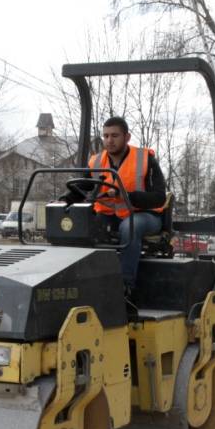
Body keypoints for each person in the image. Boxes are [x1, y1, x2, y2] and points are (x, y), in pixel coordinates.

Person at [64, 116, 167, 296]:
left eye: (114, 136)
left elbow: (159, 197)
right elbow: (82, 187)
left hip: (145, 215)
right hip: (109, 214)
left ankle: (124, 287)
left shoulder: (145, 159)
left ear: (127, 137)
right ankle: (80, 283)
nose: (109, 141)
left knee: (129, 227)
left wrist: (126, 196)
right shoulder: (96, 162)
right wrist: (65, 200)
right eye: (106, 136)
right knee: (82, 225)